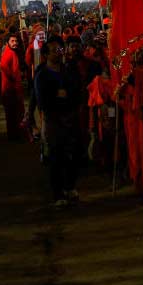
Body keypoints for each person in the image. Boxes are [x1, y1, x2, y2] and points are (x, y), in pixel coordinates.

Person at [34, 35, 83, 206]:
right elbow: (43, 101)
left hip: (70, 118)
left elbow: (77, 92)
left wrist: (66, 98)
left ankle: (70, 186)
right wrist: (59, 98)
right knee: (56, 156)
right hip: (53, 121)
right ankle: (58, 193)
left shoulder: (69, 70)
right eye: (54, 50)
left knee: (73, 154)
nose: (58, 53)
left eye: (60, 49)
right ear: (46, 54)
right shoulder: (42, 75)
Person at [0, 33, 25, 141]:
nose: (15, 43)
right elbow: (3, 66)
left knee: (12, 114)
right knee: (13, 114)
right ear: (7, 43)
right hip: (10, 89)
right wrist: (13, 78)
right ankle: (14, 135)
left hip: (11, 88)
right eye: (12, 41)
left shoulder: (10, 52)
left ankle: (13, 134)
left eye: (16, 41)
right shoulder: (10, 53)